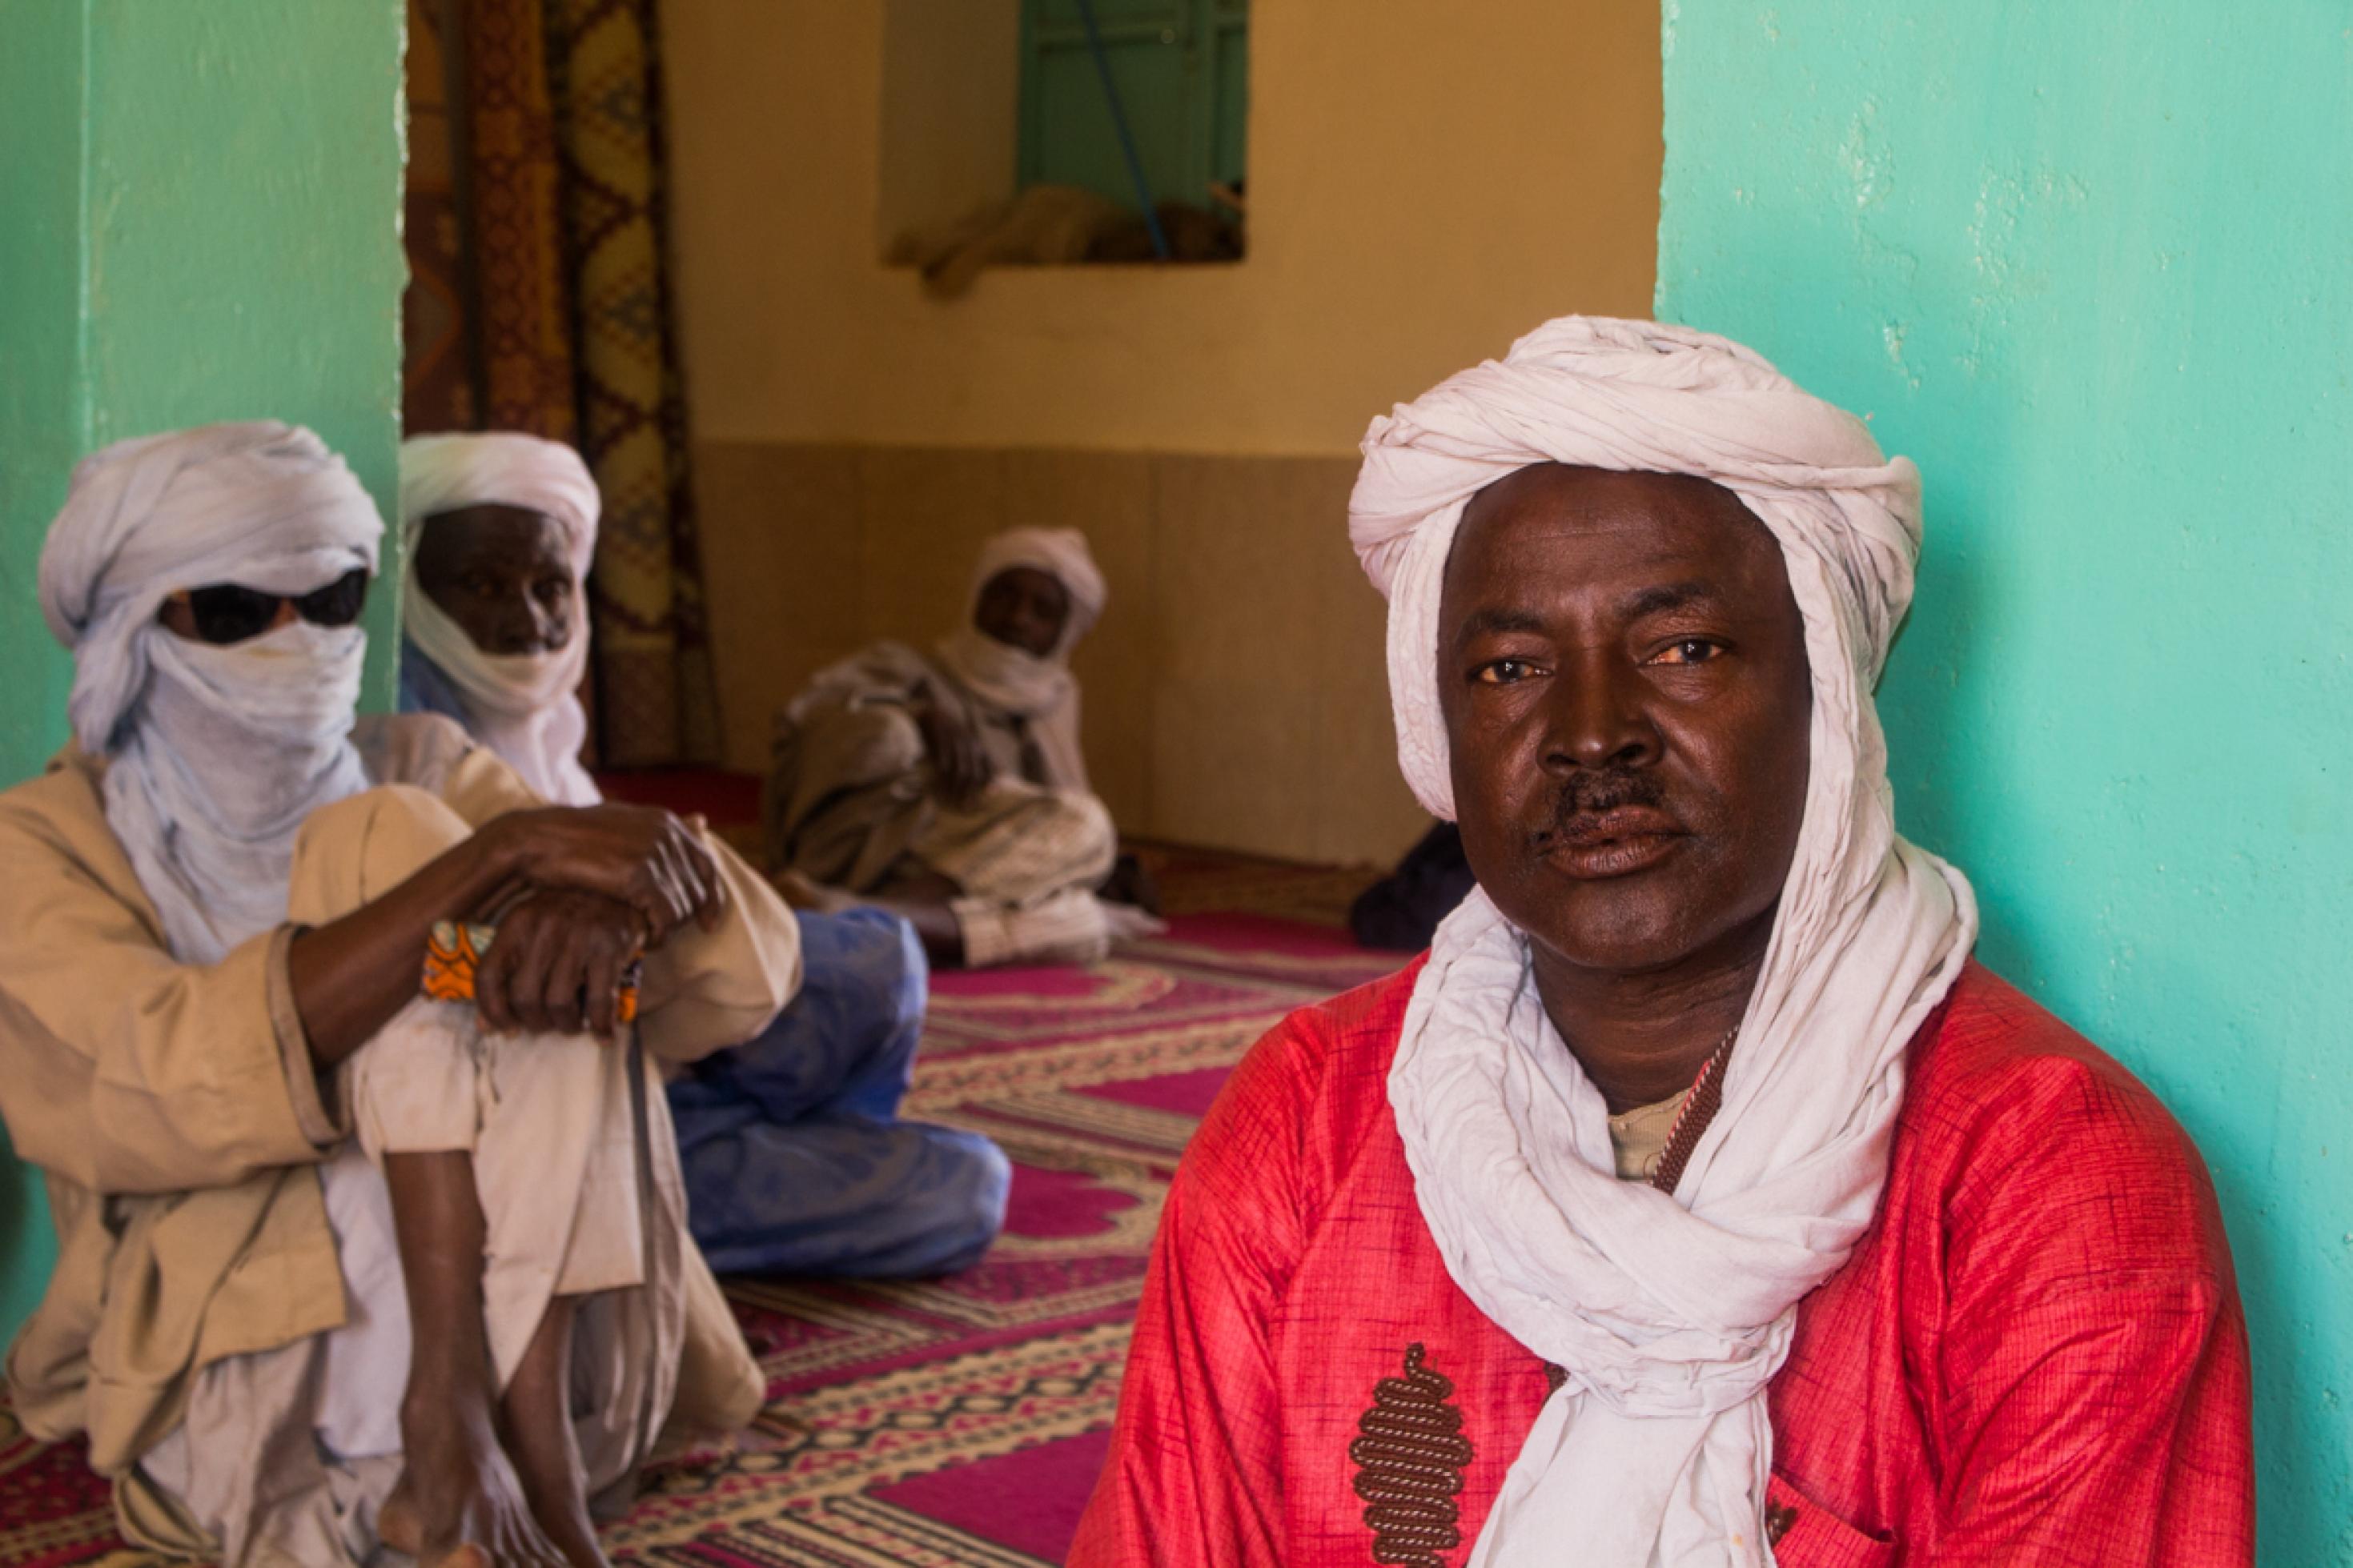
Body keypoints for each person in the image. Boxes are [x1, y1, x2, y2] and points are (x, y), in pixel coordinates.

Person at [1071, 319, 2253, 1566]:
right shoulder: (1305, 1122)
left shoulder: (2046, 1183)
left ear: (1828, 699)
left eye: (1682, 649)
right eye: (1511, 665)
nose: (1589, 734)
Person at [0, 423, 803, 1568]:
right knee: (410, 865)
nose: (296, 638)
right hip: (256, 1329)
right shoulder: (46, 842)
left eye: (330, 598)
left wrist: (620, 905)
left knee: (486, 921)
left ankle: (470, 1421)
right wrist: (487, 863)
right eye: (236, 608)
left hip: (544, 1300)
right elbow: (156, 1082)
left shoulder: (421, 758)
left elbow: (746, 976)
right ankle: (476, 1437)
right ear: (140, 619)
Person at [400, 432, 1007, 1277]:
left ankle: (702, 1156)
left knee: (887, 982)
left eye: (551, 587)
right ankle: (630, 1220)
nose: (527, 622)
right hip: (530, 1118)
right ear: (409, 592)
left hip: (652, 1059)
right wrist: (623, 956)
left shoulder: (540, 743)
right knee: (947, 1176)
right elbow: (422, 969)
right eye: (480, 586)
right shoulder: (397, 749)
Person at [763, 527, 1159, 968]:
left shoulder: (1056, 703)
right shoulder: (905, 668)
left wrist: (1103, 870)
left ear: (1067, 633)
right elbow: (802, 720)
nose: (1017, 619)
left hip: (968, 865)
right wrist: (914, 711)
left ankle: (857, 918)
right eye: (1004, 596)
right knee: (889, 735)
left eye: (1042, 610)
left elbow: (1042, 826)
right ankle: (879, 916)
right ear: (976, 596)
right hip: (869, 850)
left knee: (1085, 925)